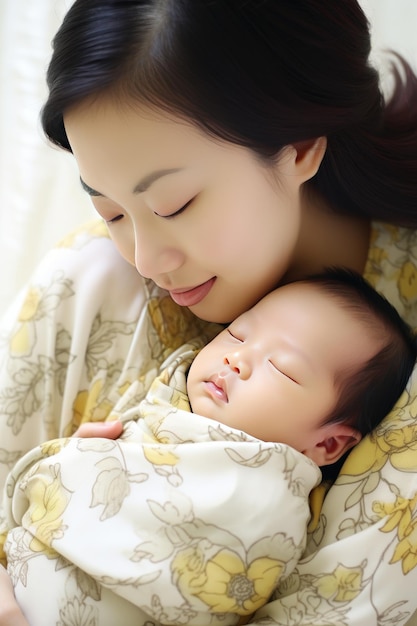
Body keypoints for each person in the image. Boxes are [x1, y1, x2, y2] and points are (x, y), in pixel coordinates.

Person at [1, 0, 417, 624]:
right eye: (110, 211)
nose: (144, 258)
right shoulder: (89, 282)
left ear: (299, 146)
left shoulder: (401, 371)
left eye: (173, 204)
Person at [1, 269, 416, 626]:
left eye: (282, 368)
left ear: (326, 442)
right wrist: (79, 458)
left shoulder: (267, 499)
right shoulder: (161, 400)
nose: (237, 358)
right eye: (237, 331)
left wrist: (67, 466)